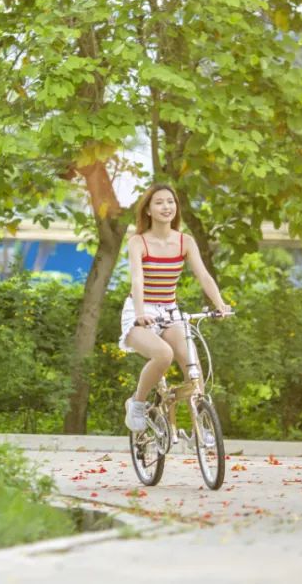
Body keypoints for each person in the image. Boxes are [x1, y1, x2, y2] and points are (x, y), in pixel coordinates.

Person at [120, 183, 230, 432]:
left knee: (192, 362)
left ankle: (201, 426)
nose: (166, 207)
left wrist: (219, 304)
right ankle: (136, 403)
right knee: (163, 354)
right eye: (159, 202)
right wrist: (140, 313)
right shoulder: (138, 242)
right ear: (148, 210)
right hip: (139, 310)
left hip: (169, 311)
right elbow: (137, 279)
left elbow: (203, 275)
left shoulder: (185, 241)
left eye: (170, 202)